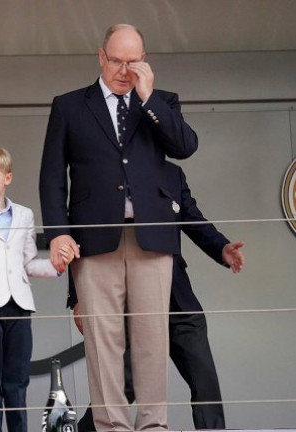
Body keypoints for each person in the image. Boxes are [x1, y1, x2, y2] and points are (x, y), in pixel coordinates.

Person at [39, 24, 199, 430]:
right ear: (101, 57)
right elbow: (53, 176)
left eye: (133, 62)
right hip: (94, 242)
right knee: (102, 341)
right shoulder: (70, 106)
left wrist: (148, 100)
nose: (124, 70)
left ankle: (153, 426)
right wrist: (58, 232)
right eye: (116, 61)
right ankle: (111, 427)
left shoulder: (162, 103)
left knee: (151, 339)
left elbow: (185, 147)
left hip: (152, 240)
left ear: (144, 61)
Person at [68, 161, 245, 431]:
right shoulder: (108, 171)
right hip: (129, 303)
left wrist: (221, 247)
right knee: (122, 386)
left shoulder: (172, 173)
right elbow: (82, 234)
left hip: (179, 299)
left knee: (205, 380)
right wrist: (76, 297)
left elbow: (193, 219)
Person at [0, 147, 74, 432]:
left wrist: (56, 266)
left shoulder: (24, 215)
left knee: (17, 378)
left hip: (19, 304)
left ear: (7, 178)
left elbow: (28, 263)